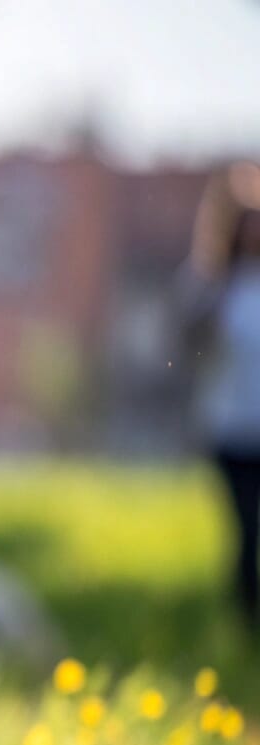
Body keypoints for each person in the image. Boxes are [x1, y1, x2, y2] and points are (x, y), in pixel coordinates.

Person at [184, 163, 260, 631]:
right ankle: (247, 618)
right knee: (247, 528)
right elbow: (183, 342)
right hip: (230, 428)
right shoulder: (213, 285)